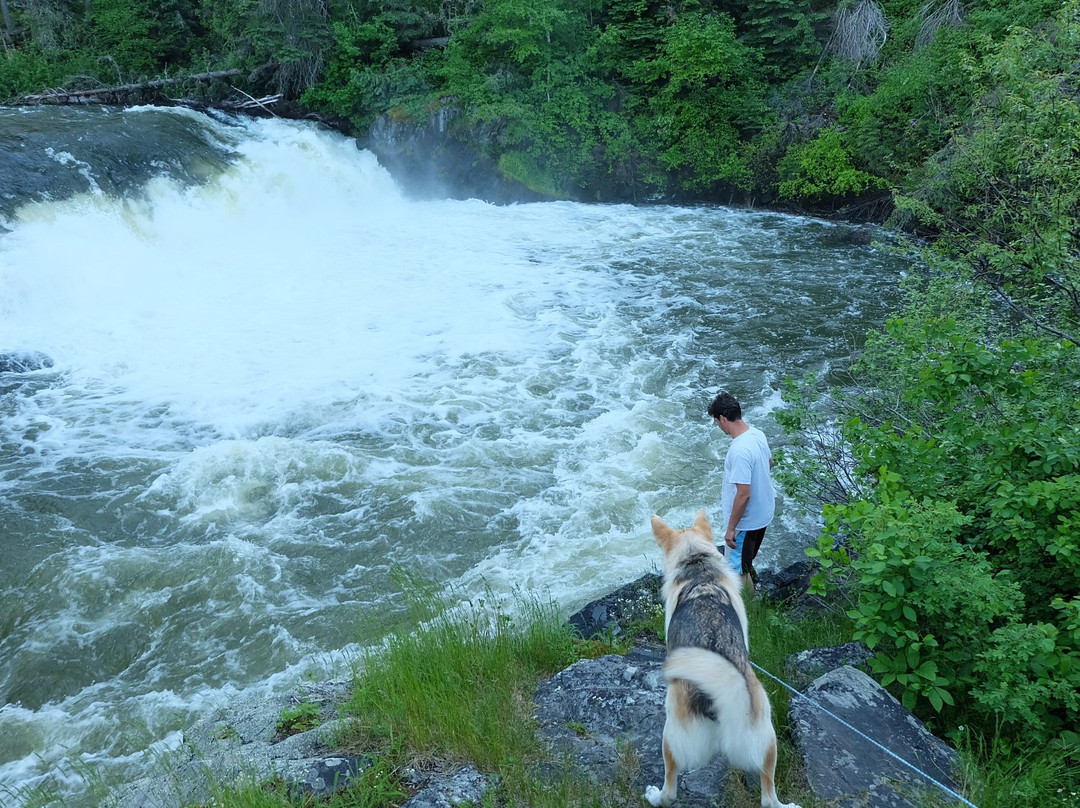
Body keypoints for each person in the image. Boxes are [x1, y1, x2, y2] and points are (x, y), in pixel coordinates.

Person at [707, 391, 776, 591]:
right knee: (746, 560)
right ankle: (752, 582)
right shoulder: (757, 434)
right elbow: (769, 463)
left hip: (746, 522)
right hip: (763, 512)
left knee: (737, 572)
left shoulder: (739, 450)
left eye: (717, 422)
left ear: (722, 418)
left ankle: (748, 609)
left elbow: (743, 494)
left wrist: (731, 529)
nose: (718, 426)